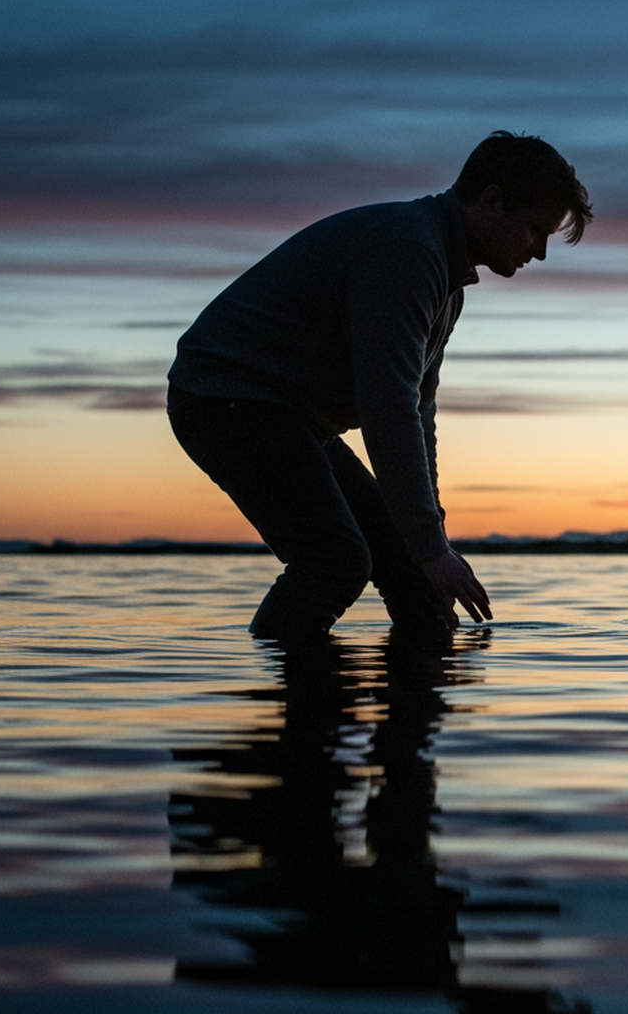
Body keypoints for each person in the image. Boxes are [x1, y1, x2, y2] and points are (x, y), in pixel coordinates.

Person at [167, 131, 591, 640]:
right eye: (534, 230)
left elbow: (417, 413)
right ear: (491, 200)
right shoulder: (407, 252)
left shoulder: (445, 280)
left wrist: (432, 542)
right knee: (335, 563)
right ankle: (295, 703)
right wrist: (432, 549)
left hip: (294, 416)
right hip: (226, 399)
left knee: (417, 577)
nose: (539, 252)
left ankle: (422, 707)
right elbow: (387, 409)